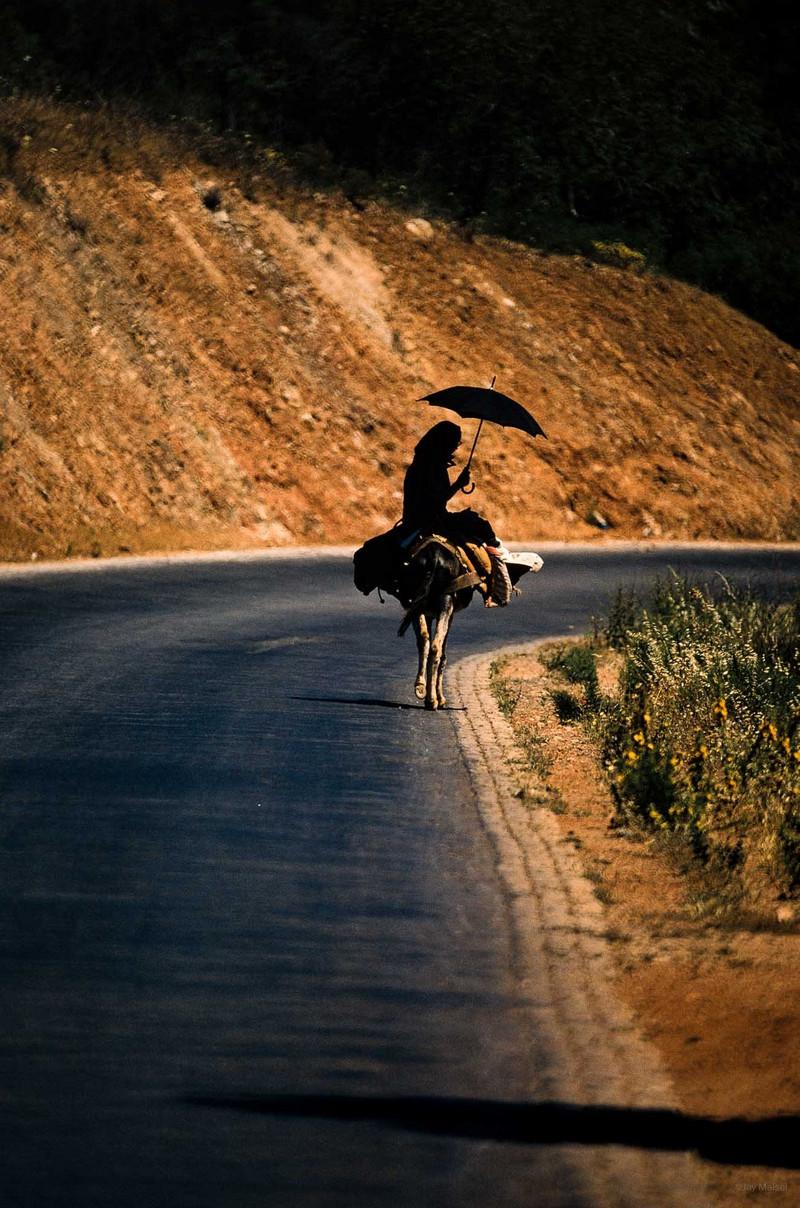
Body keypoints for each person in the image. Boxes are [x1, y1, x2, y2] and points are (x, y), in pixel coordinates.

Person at [401, 420, 512, 605]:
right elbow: (436, 501)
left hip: (410, 523)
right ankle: (498, 580)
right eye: (454, 443)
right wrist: (458, 484)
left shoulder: (417, 465)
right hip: (434, 522)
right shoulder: (434, 467)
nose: (455, 448)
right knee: (480, 525)